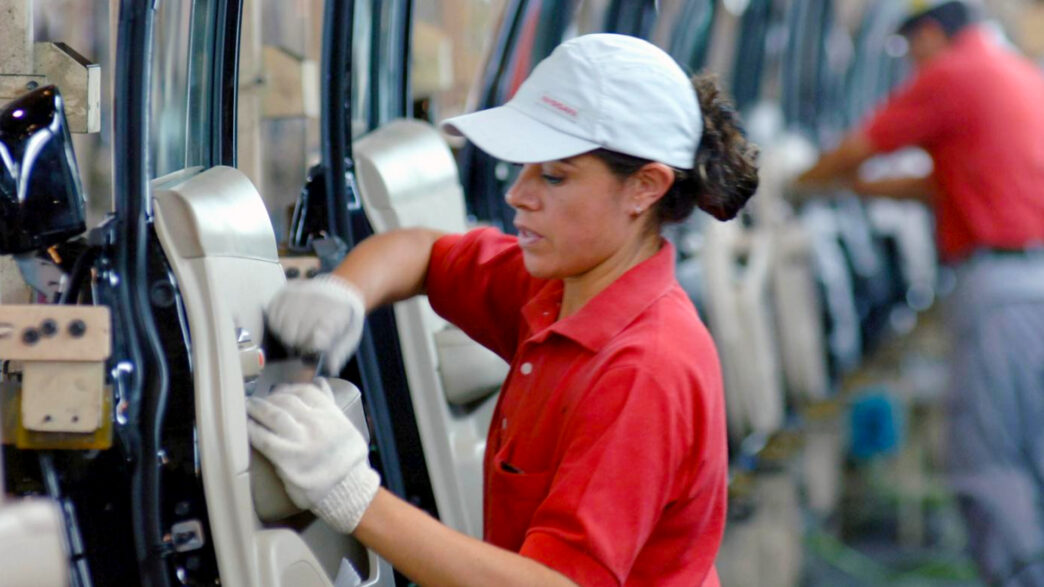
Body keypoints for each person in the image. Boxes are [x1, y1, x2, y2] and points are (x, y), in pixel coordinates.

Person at [247, 33, 758, 586]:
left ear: (644, 187)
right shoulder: (561, 289)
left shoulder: (644, 370)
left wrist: (351, 495)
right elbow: (421, 251)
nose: (518, 194)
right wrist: (342, 296)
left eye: (554, 176)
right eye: (523, 168)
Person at [795, 1, 1044, 583]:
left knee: (987, 455)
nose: (910, 67)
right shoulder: (1010, 71)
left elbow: (860, 145)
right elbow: (945, 183)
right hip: (1031, 279)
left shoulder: (954, 74)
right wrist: (862, 190)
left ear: (931, 34)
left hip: (1002, 287)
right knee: (1031, 446)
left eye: (910, 51)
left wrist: (796, 185)